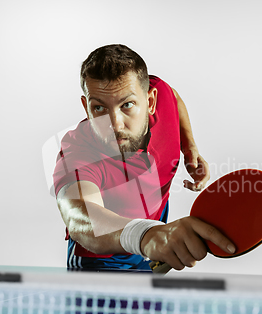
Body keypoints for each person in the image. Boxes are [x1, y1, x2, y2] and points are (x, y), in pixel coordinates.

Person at [53, 44, 235, 271]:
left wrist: (189, 148)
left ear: (150, 102)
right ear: (86, 107)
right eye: (99, 108)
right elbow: (81, 220)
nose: (114, 124)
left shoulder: (163, 100)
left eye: (127, 105)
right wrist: (147, 235)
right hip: (103, 262)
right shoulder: (77, 152)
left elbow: (173, 96)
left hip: (154, 229)